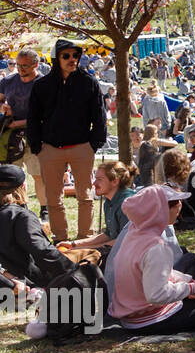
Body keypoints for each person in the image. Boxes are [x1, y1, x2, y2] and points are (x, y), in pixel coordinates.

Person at [107, 184, 195, 332]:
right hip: (151, 320)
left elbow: (154, 274)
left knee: (192, 264)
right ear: (159, 211)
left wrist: (185, 281)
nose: (179, 206)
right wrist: (190, 288)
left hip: (130, 317)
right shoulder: (156, 247)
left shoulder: (133, 235)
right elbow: (156, 295)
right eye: (175, 203)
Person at [27, 39, 108, 243]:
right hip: (50, 148)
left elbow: (99, 115)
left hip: (82, 147)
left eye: (75, 55)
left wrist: (94, 144)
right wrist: (38, 147)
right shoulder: (42, 85)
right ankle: (60, 239)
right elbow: (33, 118)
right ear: (57, 59)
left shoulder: (89, 82)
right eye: (66, 56)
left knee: (85, 197)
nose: (72, 59)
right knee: (53, 199)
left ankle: (84, 238)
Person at [0, 164, 74, 296]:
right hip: (24, 283)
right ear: (23, 186)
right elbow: (42, 251)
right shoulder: (20, 216)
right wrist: (73, 269)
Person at [0, 48, 48, 219]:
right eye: (18, 65)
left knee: (38, 175)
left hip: (37, 136)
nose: (20, 69)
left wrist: (19, 122)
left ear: (36, 64)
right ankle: (22, 207)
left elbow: (47, 115)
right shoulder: (8, 81)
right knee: (15, 176)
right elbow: (0, 101)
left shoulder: (44, 84)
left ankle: (45, 210)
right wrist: (4, 109)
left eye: (25, 66)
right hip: (12, 137)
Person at [59, 160, 137, 256]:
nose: (94, 183)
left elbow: (124, 241)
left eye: (99, 179)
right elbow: (108, 234)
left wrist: (82, 249)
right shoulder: (109, 202)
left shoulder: (127, 204)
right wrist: (74, 244)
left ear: (115, 181)